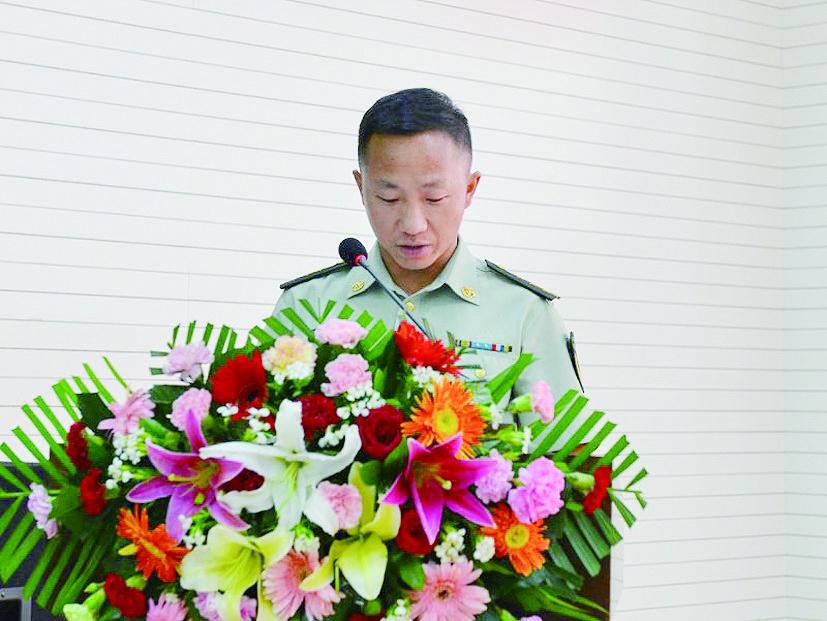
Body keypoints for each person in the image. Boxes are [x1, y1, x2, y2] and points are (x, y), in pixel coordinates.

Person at [273, 87, 582, 407]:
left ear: (469, 189)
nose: (413, 224)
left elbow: (567, 453)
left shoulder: (524, 314)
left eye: (434, 198)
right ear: (361, 188)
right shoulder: (305, 304)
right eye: (388, 198)